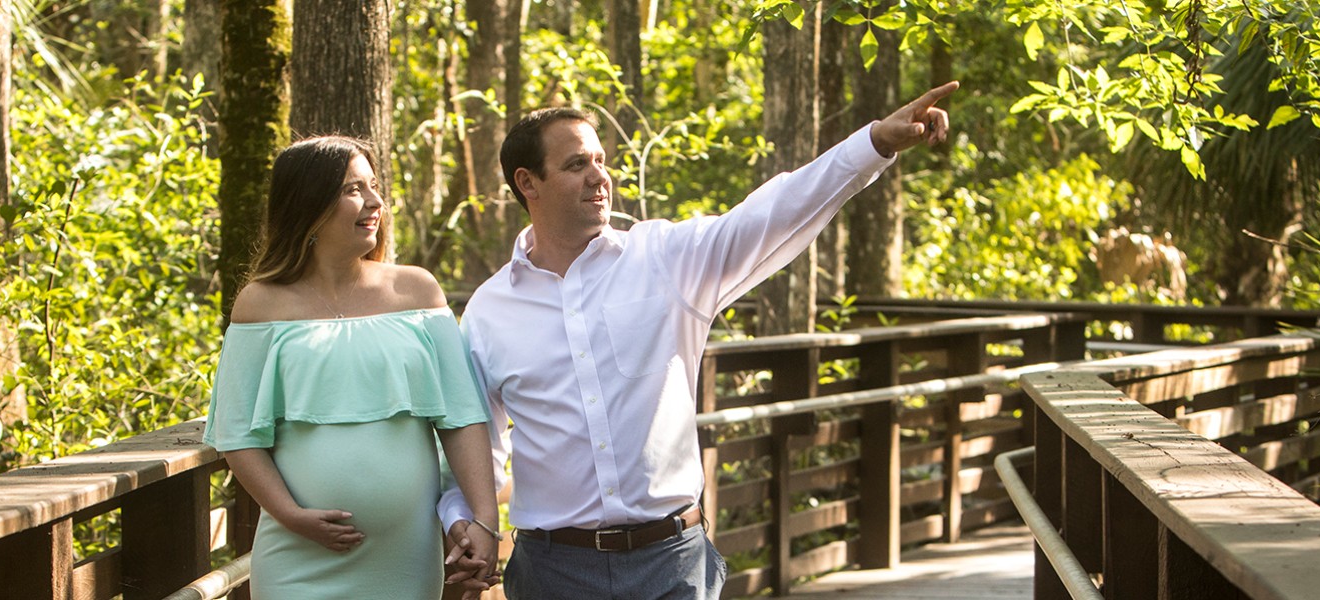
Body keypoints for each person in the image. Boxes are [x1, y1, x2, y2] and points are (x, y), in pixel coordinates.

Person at [438, 82, 959, 599]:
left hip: (672, 562)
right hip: (553, 571)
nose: (600, 176)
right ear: (528, 183)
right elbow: (475, 444)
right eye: (577, 164)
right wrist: (465, 519)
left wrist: (874, 143)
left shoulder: (664, 259)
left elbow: (773, 212)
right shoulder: (488, 310)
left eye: (601, 160)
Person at [204, 136, 502, 599]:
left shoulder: (417, 293)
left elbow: (462, 418)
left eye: (374, 185)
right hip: (299, 554)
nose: (375, 202)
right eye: (352, 190)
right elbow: (237, 433)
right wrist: (289, 514)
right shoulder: (260, 304)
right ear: (309, 205)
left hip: (404, 557)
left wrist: (484, 517)